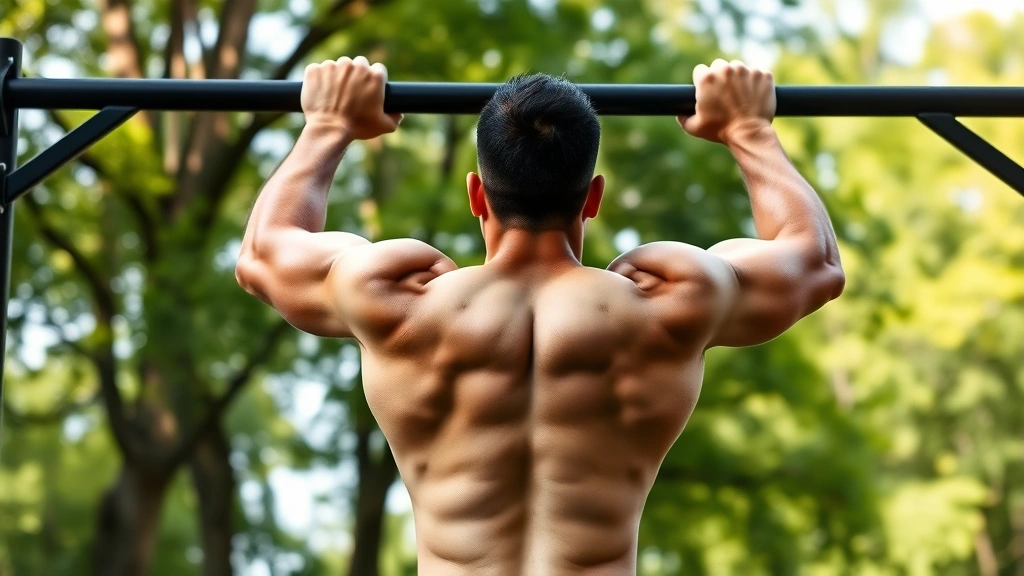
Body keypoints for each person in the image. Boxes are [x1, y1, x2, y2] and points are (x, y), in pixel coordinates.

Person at [235, 56, 845, 575]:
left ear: (477, 193)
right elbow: (813, 262)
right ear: (593, 197)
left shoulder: (395, 302)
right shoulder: (669, 304)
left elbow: (264, 253)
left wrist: (329, 124)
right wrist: (747, 129)